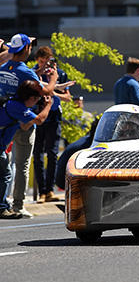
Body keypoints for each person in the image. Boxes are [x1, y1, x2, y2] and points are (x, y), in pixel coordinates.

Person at [0, 34, 59, 218]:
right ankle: (16, 205)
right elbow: (46, 91)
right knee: (20, 165)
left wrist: (37, 73)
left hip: (6, 119)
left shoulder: (3, 68)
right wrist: (54, 78)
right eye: (30, 46)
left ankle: (4, 203)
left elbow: (22, 82)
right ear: (25, 49)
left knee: (5, 164)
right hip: (22, 119)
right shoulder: (25, 71)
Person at [0, 81, 53, 219]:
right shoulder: (17, 107)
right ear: (30, 98)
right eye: (36, 100)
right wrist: (48, 105)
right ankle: (1, 207)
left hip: (2, 146)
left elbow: (24, 127)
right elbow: (39, 120)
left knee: (5, 172)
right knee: (6, 174)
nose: (36, 103)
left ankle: (3, 205)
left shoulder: (13, 103)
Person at [32, 46, 73, 203]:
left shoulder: (59, 74)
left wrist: (51, 91)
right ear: (37, 61)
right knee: (38, 155)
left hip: (54, 116)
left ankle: (49, 190)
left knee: (52, 153)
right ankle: (42, 191)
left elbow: (68, 97)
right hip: (38, 115)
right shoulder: (33, 73)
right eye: (41, 62)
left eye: (46, 62)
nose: (44, 65)